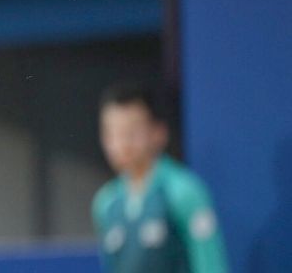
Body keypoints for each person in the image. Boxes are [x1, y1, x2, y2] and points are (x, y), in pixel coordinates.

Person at [92, 82, 228, 272]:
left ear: (158, 132)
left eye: (130, 132)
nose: (120, 143)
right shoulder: (105, 203)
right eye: (111, 133)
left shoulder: (183, 191)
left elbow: (210, 266)